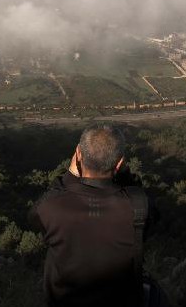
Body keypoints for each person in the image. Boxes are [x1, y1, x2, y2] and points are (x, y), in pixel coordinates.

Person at [29, 125, 159, 307]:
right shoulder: (139, 206)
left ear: (78, 154)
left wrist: (69, 177)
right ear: (120, 163)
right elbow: (140, 198)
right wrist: (125, 175)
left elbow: (35, 218)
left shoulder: (51, 207)